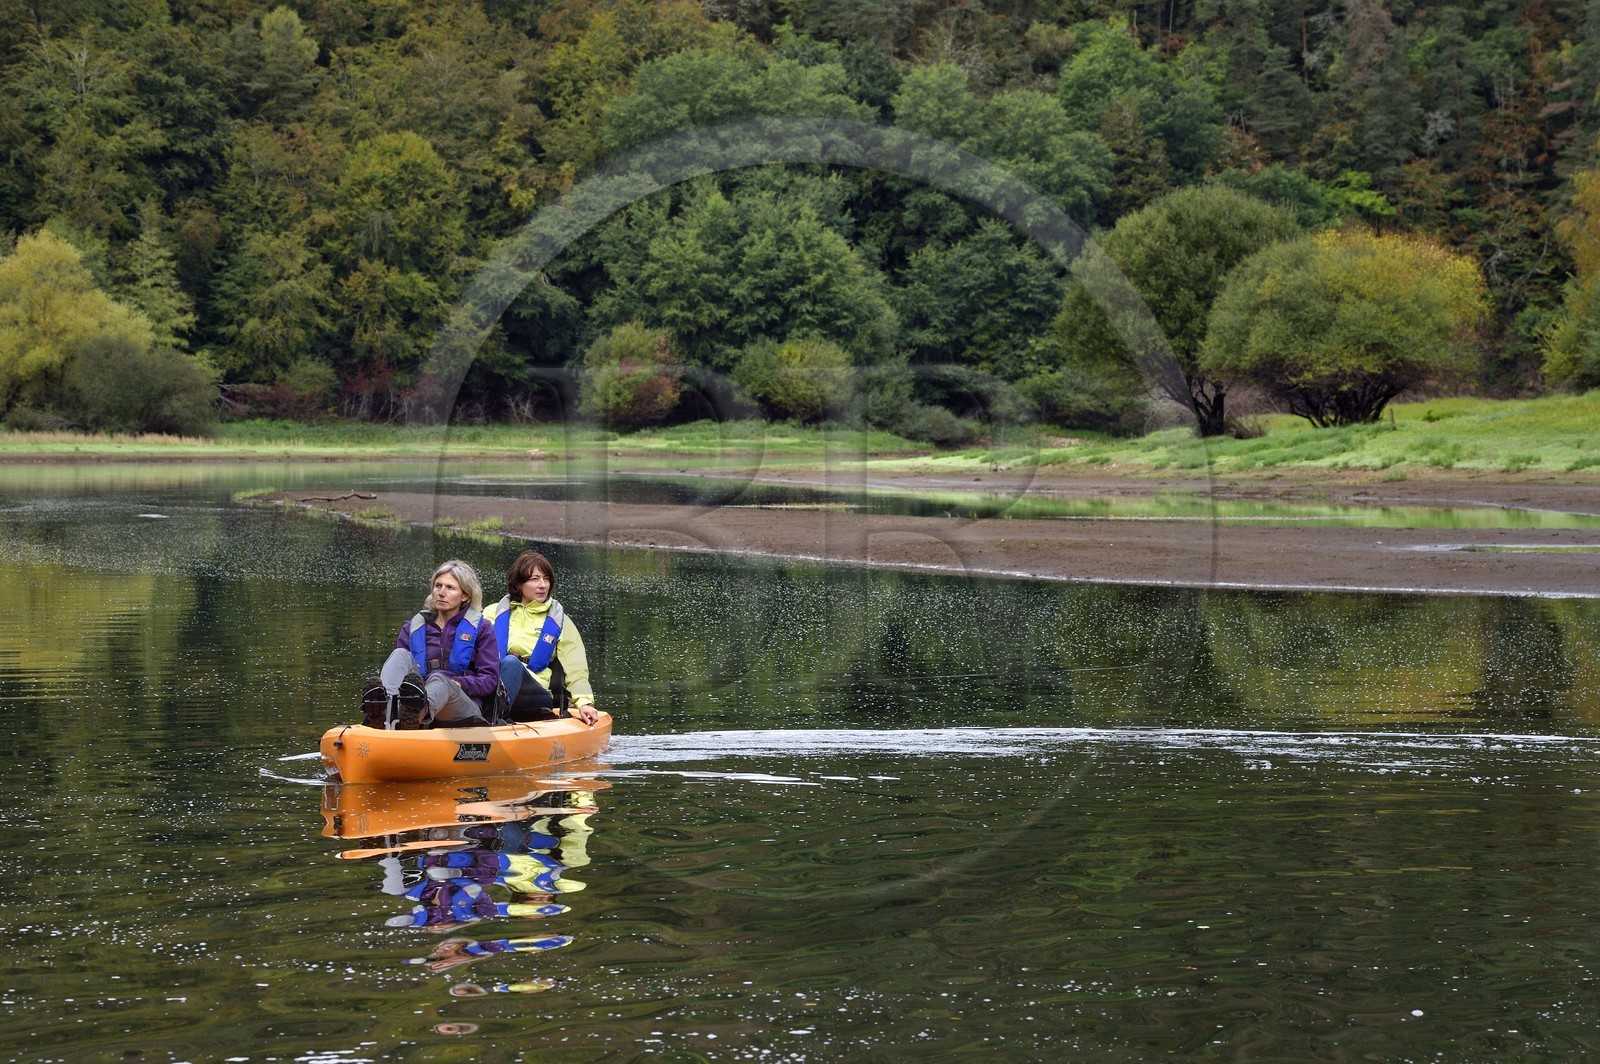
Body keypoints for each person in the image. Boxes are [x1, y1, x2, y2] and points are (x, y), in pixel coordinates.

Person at [359, 560, 499, 729]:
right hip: (416, 698)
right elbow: (401, 670)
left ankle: (414, 717)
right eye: (438, 586)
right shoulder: (412, 627)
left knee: (440, 678)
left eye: (450, 588)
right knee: (399, 654)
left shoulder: (482, 628)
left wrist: (461, 683)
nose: (441, 593)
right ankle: (384, 712)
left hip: (461, 705)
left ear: (465, 596)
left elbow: (490, 679)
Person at [482, 550, 601, 726]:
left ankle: (490, 719)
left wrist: (584, 702)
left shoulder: (559, 621)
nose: (543, 585)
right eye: (534, 579)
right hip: (493, 683)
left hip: (535, 693)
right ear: (518, 585)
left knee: (511, 663)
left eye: (546, 579)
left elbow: (576, 667)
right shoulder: (492, 613)